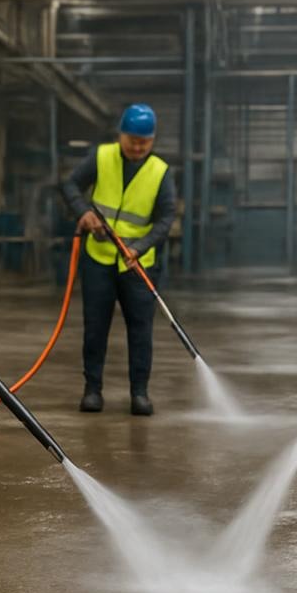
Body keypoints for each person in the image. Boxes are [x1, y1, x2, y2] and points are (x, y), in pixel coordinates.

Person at [60, 103, 177, 416]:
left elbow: (166, 218)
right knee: (95, 327)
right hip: (98, 258)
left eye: (144, 142)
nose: (138, 147)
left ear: (152, 140)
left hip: (138, 265)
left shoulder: (160, 172)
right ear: (121, 135)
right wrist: (84, 212)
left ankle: (139, 393)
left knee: (140, 330)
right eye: (132, 140)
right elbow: (70, 184)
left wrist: (140, 246)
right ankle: (92, 390)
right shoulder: (102, 157)